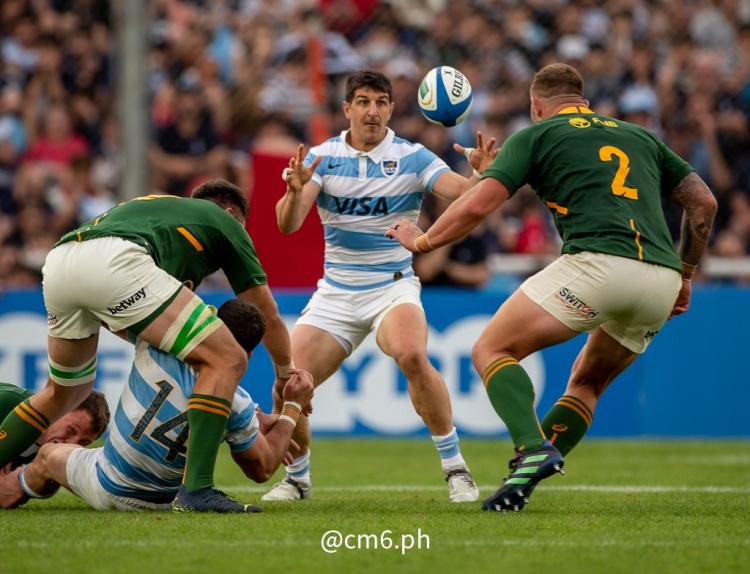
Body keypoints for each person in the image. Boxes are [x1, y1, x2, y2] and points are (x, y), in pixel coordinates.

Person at [387, 63, 717, 512]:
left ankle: (532, 448)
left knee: (491, 349)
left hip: (598, 262)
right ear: (583, 101)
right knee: (588, 383)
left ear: (536, 105)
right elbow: (704, 202)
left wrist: (423, 241)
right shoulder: (640, 136)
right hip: (661, 277)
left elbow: (478, 206)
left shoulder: (535, 134)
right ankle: (525, 476)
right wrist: (687, 272)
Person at [269, 70, 497, 503]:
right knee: (288, 384)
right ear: (347, 109)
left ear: (391, 109)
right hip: (337, 292)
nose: (371, 111)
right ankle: (297, 479)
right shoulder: (322, 157)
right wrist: (294, 193)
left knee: (411, 353)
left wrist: (483, 176)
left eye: (380, 102)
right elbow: (288, 224)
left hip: (391, 287)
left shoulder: (412, 157)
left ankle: (456, 469)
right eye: (363, 102)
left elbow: (462, 193)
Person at [0, 179, 294, 513]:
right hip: (114, 261)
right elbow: (265, 311)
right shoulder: (224, 222)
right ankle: (197, 490)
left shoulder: (164, 221)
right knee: (227, 358)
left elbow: (139, 329)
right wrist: (285, 373)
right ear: (229, 213)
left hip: (61, 261)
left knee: (65, 393)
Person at [2, 299, 314, 512]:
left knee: (48, 455)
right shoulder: (238, 404)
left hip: (106, 481)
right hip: (162, 500)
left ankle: (12, 487)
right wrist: (291, 408)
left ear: (214, 327)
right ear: (249, 356)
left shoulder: (160, 344)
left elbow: (104, 311)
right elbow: (262, 468)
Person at [0, 383, 109, 508]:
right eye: (71, 430)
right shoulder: (7, 402)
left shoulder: (54, 457)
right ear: (59, 410)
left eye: (83, 442)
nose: (71, 444)